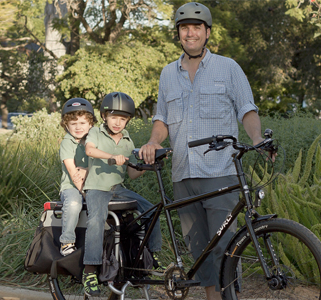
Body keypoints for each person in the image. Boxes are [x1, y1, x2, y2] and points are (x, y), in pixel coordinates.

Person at [139, 3, 270, 300]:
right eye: (185, 27)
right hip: (183, 174)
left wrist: (257, 138)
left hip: (220, 172)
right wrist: (154, 141)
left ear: (207, 32)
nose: (191, 32)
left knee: (225, 248)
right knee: (199, 252)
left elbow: (246, 109)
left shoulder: (228, 67)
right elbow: (161, 118)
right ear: (178, 34)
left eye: (197, 27)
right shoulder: (167, 73)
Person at [82, 92, 163, 296]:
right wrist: (112, 156)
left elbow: (132, 173)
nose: (118, 122)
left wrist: (146, 165)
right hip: (97, 188)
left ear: (128, 120)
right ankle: (89, 270)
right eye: (113, 117)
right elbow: (90, 151)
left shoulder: (127, 141)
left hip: (118, 190)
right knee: (96, 221)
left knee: (151, 209)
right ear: (104, 116)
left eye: (123, 118)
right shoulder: (95, 133)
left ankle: (150, 257)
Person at [58, 98, 97, 256]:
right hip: (72, 187)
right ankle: (67, 241)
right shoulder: (67, 143)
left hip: (93, 185)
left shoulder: (94, 141)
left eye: (82, 123)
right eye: (73, 124)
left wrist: (87, 170)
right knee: (74, 202)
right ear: (66, 125)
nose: (78, 127)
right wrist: (86, 195)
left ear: (91, 124)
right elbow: (74, 175)